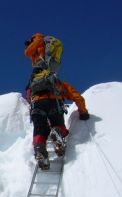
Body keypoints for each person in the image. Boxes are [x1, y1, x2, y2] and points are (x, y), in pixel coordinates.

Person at [24, 33, 90, 169]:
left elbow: (28, 97)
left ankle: (39, 149)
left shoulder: (31, 84)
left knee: (39, 130)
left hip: (37, 104)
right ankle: (57, 132)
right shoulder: (58, 82)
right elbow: (77, 97)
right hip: (54, 103)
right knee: (58, 124)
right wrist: (83, 113)